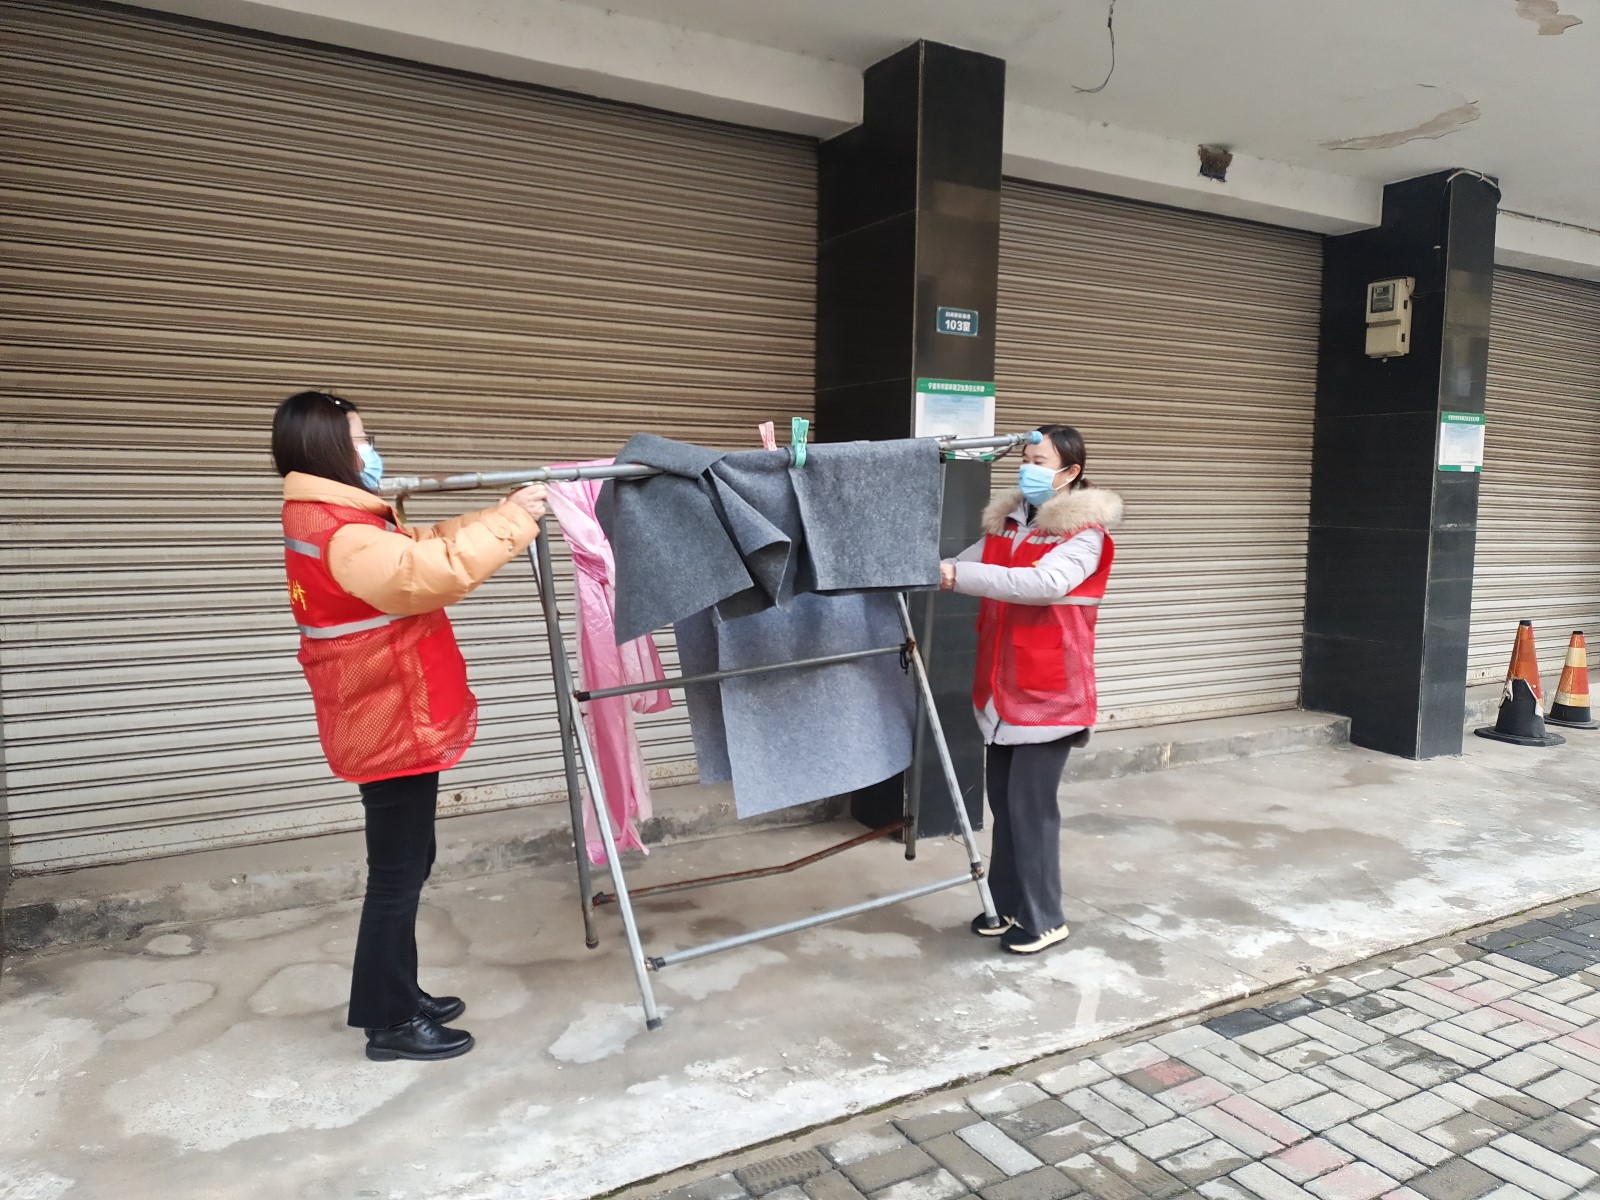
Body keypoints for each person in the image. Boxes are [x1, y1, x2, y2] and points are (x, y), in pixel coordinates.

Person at [271, 390, 547, 1061]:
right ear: (329, 447)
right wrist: (514, 523)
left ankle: (397, 992)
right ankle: (390, 1023)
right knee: (395, 875)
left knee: (409, 861)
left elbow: (423, 543)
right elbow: (429, 572)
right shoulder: (340, 531)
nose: (372, 450)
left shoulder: (339, 517)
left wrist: (499, 513)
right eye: (362, 438)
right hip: (387, 717)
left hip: (386, 710)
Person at [939, 425, 1123, 955]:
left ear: (1071, 472)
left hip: (1051, 693)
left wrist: (953, 575)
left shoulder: (1085, 536)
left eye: (1040, 462)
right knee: (1005, 802)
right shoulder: (1008, 526)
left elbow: (1042, 585)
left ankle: (1045, 918)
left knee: (1030, 807)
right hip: (1002, 689)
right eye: (1024, 459)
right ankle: (1005, 905)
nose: (1028, 469)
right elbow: (964, 565)